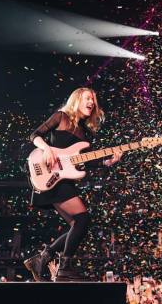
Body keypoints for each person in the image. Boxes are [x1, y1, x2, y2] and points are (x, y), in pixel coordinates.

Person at [24, 87, 122, 281]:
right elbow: (34, 135)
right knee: (83, 220)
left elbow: (85, 161)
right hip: (49, 175)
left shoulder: (84, 133)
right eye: (88, 98)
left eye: (93, 100)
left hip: (62, 180)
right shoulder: (61, 117)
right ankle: (63, 268)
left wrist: (107, 161)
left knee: (79, 223)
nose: (91, 103)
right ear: (77, 99)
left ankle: (42, 259)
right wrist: (46, 149)